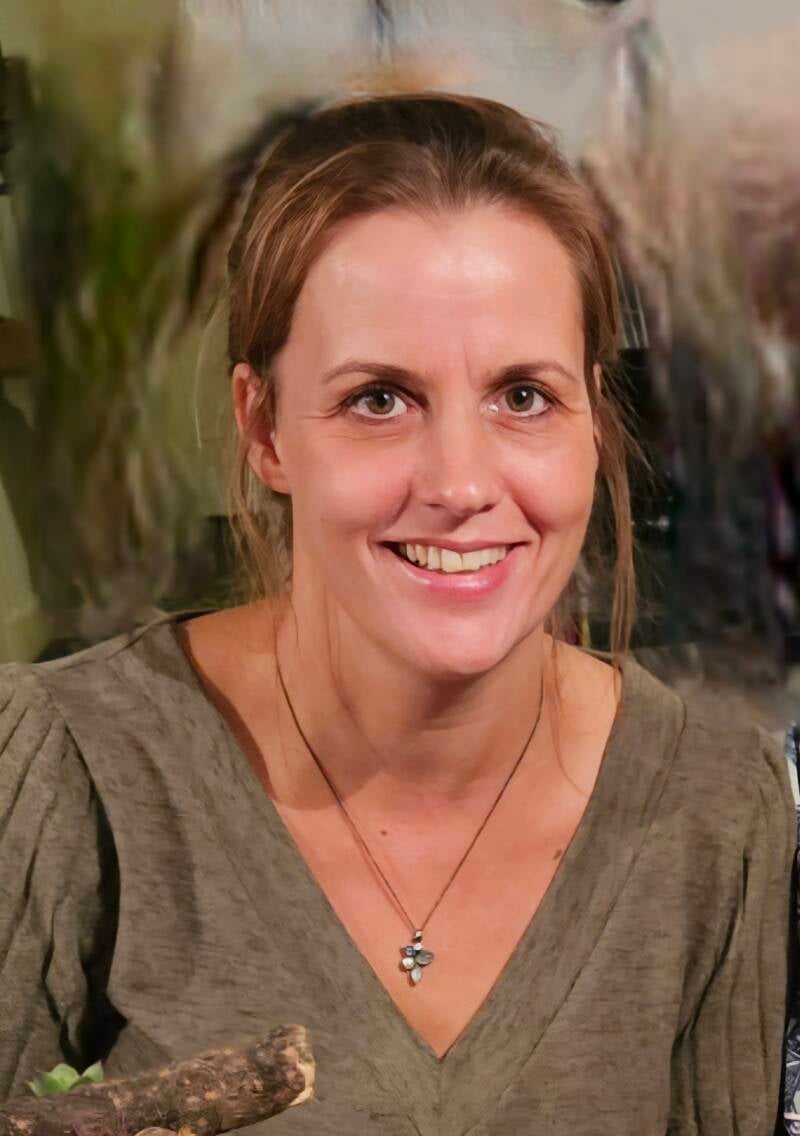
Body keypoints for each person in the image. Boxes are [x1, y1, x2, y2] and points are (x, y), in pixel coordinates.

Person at [0, 93, 794, 1135]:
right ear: (263, 428)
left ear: (593, 424)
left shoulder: (718, 807)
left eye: (522, 396)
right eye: (379, 398)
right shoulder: (69, 766)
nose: (460, 483)